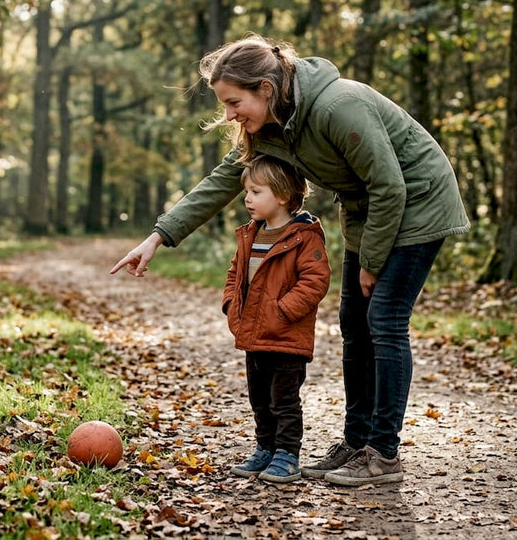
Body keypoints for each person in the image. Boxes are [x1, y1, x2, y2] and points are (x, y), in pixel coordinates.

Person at [110, 34, 471, 486]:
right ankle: (357, 442)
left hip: (418, 203)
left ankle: (384, 453)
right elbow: (224, 180)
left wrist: (371, 262)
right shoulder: (277, 127)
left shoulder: (338, 106)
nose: (228, 115)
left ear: (265, 87)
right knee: (353, 325)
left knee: (384, 319)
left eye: (233, 101)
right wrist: (158, 237)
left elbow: (391, 186)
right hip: (369, 212)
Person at [223, 156, 330, 484]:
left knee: (284, 399)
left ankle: (287, 453)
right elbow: (234, 273)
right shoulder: (251, 235)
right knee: (259, 397)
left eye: (256, 191)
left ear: (282, 195)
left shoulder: (304, 236)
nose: (247, 198)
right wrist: (230, 304)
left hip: (286, 339)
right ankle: (265, 447)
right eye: (247, 192)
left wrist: (282, 312)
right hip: (254, 336)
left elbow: (315, 281)